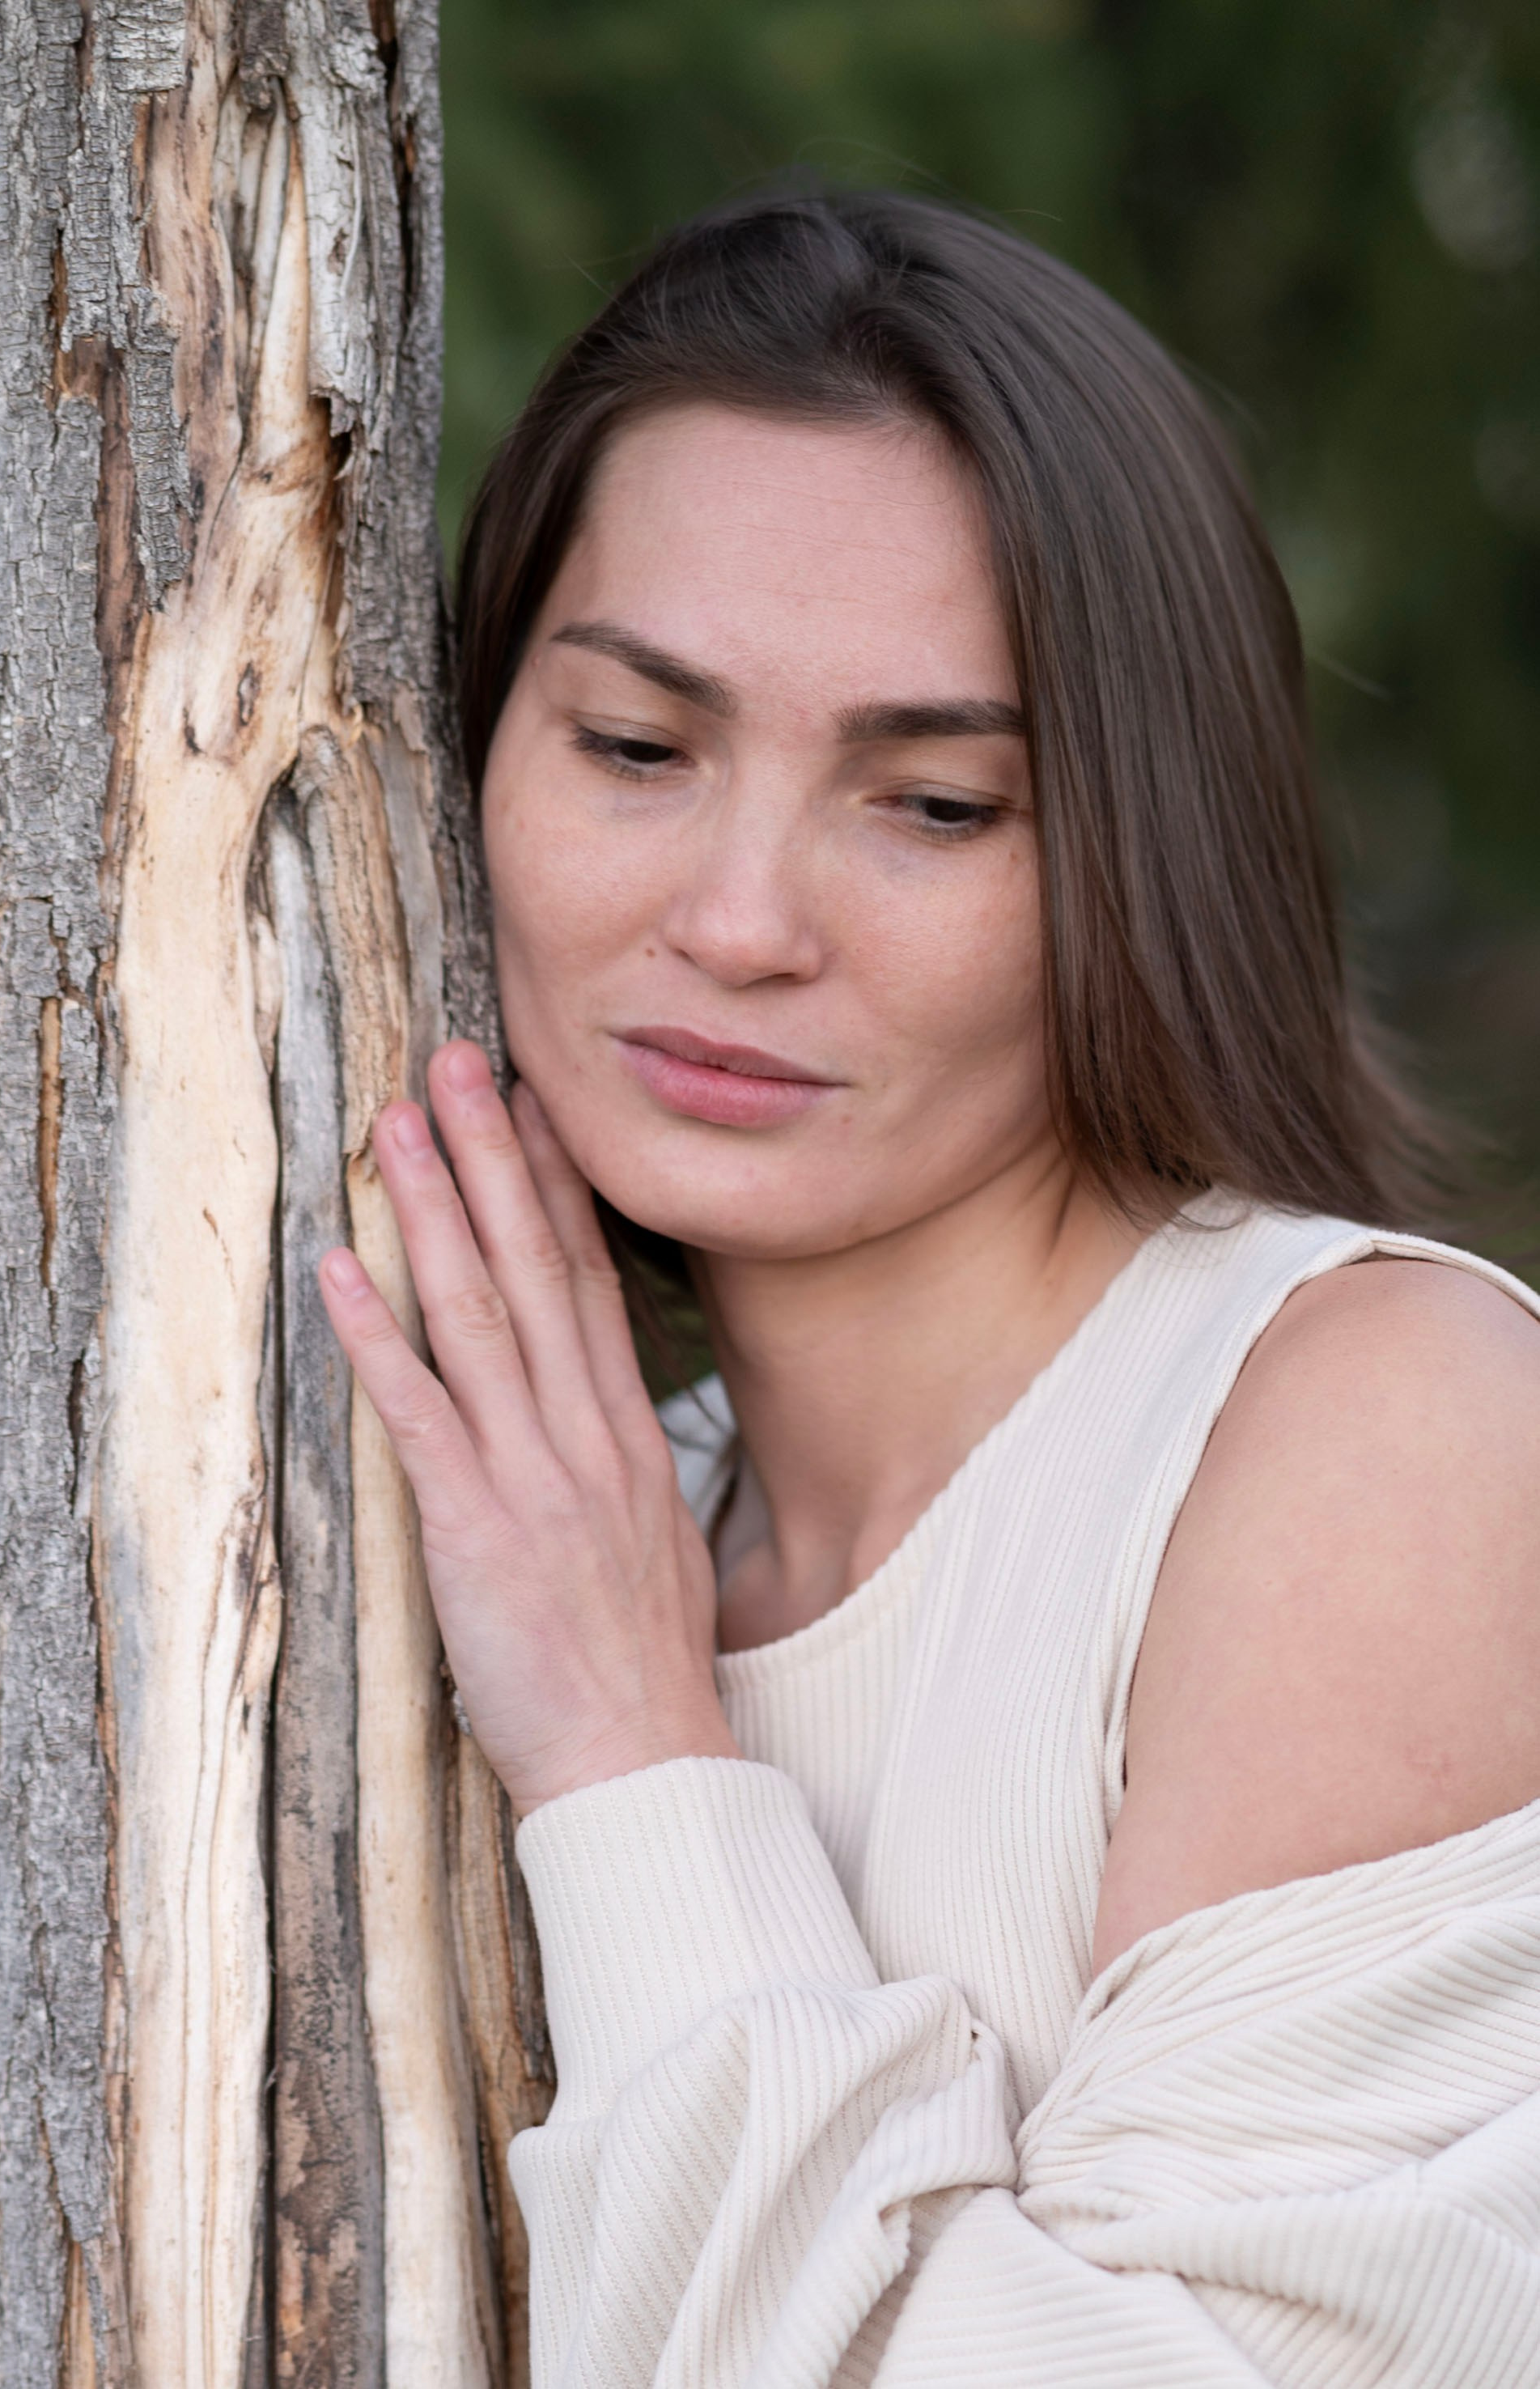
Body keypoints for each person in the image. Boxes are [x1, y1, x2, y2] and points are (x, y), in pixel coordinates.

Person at [318, 192, 1540, 2386]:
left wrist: (626, 1757)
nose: (744, 916)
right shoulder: (585, 1518)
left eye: (936, 802)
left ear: (1142, 854)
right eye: (631, 748)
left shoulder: (1371, 1434)